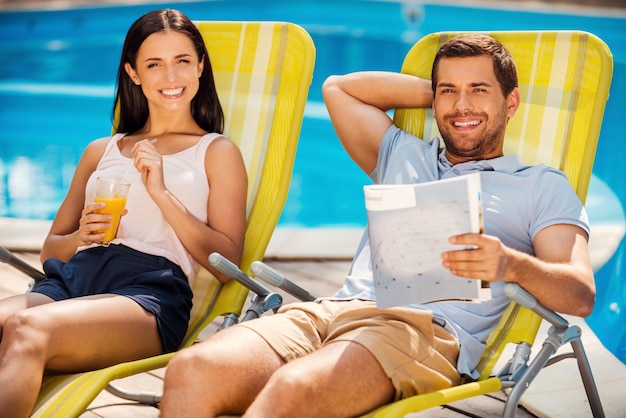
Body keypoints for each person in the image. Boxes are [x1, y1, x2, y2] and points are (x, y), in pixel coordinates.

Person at [159, 33, 595, 418]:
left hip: (422, 331)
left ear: (511, 101)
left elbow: (579, 293)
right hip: (330, 311)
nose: (462, 105)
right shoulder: (402, 154)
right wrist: (450, 98)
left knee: (293, 391)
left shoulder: (539, 185)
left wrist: (510, 265)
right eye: (449, 91)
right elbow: (340, 89)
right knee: (190, 370)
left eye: (480, 90)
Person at [0, 9, 247, 417]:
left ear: (200, 67)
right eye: (154, 64)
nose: (171, 76)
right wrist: (81, 237)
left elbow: (227, 264)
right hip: (74, 281)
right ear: (133, 73)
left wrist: (162, 193)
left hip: (147, 295)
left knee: (26, 329)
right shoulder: (102, 151)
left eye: (182, 61)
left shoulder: (216, 152)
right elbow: (51, 252)